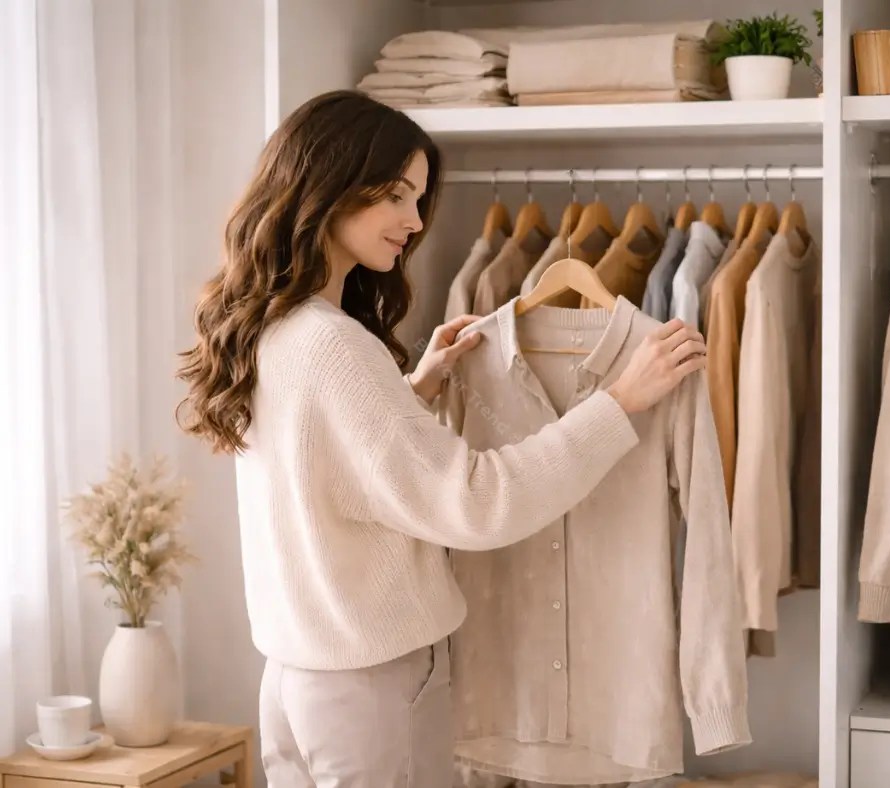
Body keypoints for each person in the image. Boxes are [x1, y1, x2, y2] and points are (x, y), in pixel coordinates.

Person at [176, 90, 706, 788]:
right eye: (395, 195)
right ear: (330, 183)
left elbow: (323, 464)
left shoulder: (273, 328)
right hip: (368, 690)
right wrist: (618, 403)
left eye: (418, 199)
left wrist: (412, 390)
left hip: (294, 680)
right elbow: (479, 501)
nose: (414, 220)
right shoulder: (337, 348)